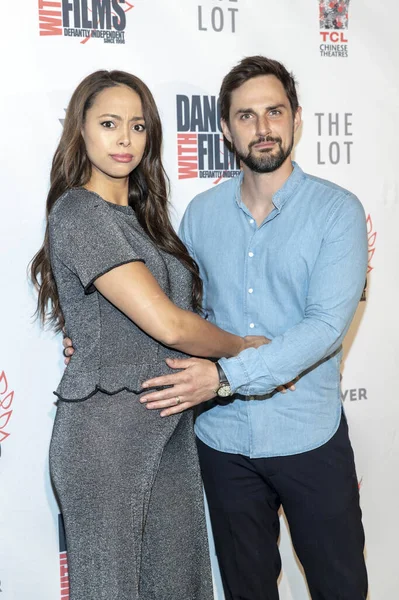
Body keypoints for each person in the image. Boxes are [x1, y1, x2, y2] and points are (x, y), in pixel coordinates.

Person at [128, 56, 369, 599]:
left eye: (274, 112)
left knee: (341, 588)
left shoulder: (338, 212)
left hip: (309, 435)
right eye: (246, 116)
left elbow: (326, 326)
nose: (262, 128)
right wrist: (100, 339)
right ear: (225, 129)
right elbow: (181, 316)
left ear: (296, 119)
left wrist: (227, 376)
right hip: (223, 441)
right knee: (246, 590)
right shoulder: (200, 215)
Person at [30, 69, 268, 600]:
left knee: (180, 584)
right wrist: (246, 349)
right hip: (106, 436)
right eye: (109, 123)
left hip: (167, 426)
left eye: (138, 126)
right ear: (81, 130)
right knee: (112, 589)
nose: (124, 139)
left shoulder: (143, 221)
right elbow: (168, 324)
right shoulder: (78, 213)